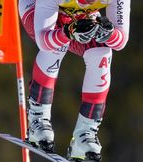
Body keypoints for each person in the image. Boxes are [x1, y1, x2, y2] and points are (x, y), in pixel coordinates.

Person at [18, 0, 131, 161]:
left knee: (102, 54)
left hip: (80, 15)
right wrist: (67, 33)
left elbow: (121, 42)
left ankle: (85, 134)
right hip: (36, 7)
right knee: (56, 46)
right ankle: (38, 119)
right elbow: (44, 41)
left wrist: (109, 33)